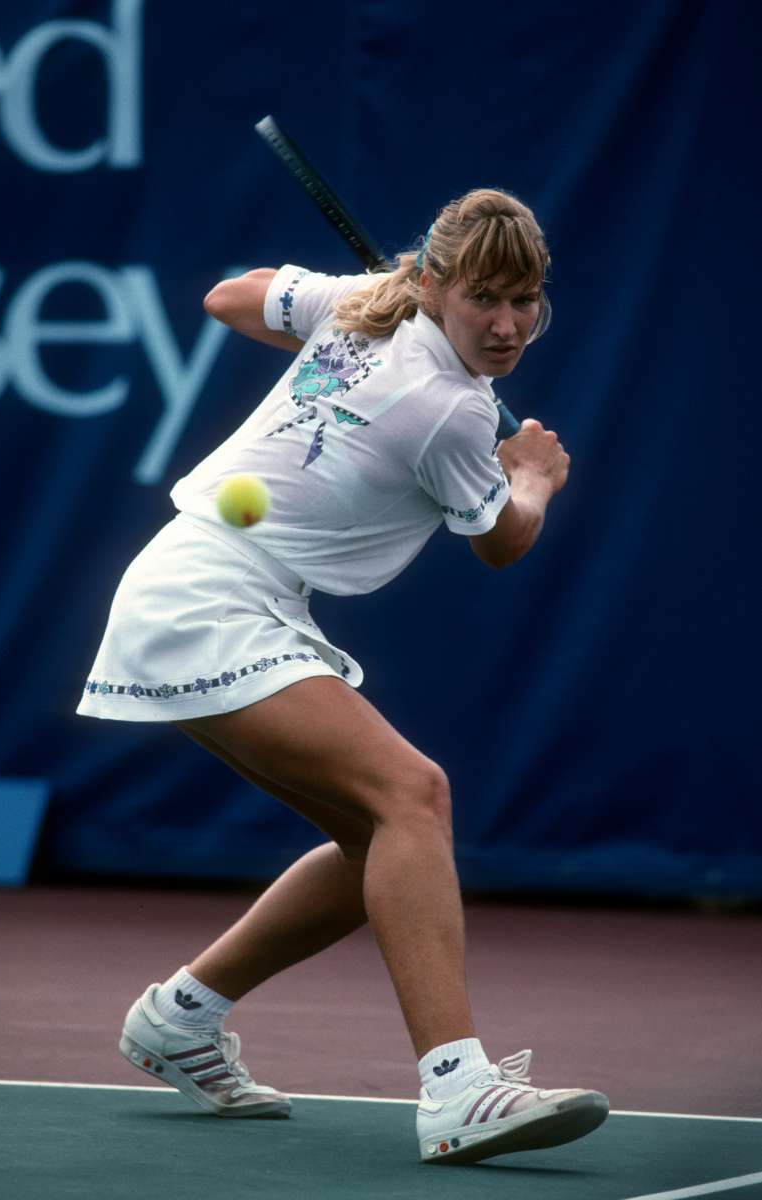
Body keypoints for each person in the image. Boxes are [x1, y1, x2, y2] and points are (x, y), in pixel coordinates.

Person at [78, 188, 609, 1164]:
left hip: (209, 590)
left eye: (524, 300)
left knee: (375, 838)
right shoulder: (449, 408)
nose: (505, 325)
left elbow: (232, 300)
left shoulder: (368, 307)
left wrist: (360, 303)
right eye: (484, 297)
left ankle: (179, 1019)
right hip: (210, 597)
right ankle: (457, 1088)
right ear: (439, 283)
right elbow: (500, 543)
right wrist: (531, 474)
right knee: (415, 793)